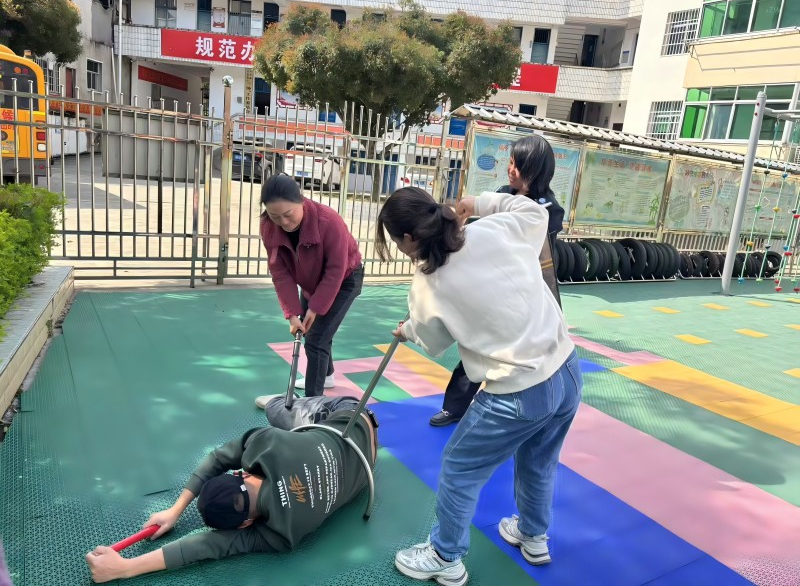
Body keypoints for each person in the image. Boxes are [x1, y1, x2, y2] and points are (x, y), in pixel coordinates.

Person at [375, 187, 582, 585]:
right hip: (567, 369)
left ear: (410, 239)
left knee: (460, 466)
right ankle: (533, 535)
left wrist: (407, 330)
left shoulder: (427, 283)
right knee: (539, 460)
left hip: (519, 390)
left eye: (397, 241)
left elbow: (433, 339)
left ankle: (445, 555)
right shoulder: (493, 229)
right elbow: (534, 214)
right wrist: (480, 203)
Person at [85, 395, 378, 583]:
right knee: (277, 411)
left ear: (245, 524)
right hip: (352, 417)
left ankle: (286, 401)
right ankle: (283, 400)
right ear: (241, 472)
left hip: (367, 467)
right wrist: (176, 509)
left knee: (281, 409)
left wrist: (126, 567)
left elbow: (208, 546)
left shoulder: (280, 535)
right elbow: (217, 459)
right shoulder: (266, 444)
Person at [430, 134, 565, 428]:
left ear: (536, 169)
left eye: (518, 165)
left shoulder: (548, 207)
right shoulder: (503, 193)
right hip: (495, 287)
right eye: (511, 162)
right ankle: (454, 407)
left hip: (527, 294)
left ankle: (532, 408)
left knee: (529, 356)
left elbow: (535, 232)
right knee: (478, 347)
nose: (510, 169)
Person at [255, 174, 363, 400]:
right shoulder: (268, 227)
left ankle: (312, 404)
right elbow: (280, 273)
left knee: (316, 338)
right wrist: (291, 313)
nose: (283, 222)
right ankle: (327, 375)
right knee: (314, 331)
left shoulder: (328, 221)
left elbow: (335, 270)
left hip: (345, 279)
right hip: (310, 282)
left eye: (288, 214)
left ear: (301, 201)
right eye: (275, 216)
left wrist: (315, 308)